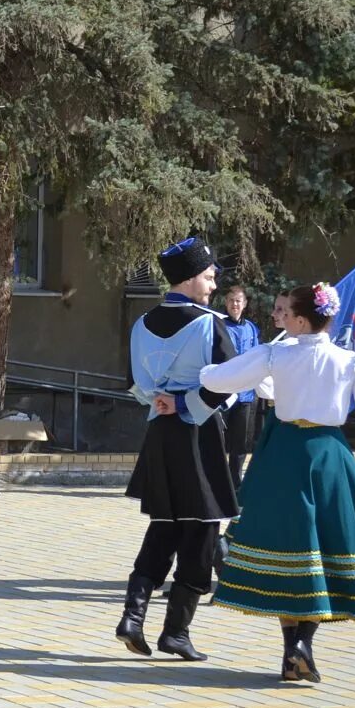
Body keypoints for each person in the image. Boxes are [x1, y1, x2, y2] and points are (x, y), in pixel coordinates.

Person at [200, 282, 355, 681]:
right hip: (327, 454)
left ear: (302, 320)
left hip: (283, 456)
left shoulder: (275, 355)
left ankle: (294, 651)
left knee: (292, 549)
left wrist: (200, 370)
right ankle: (301, 646)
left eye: (287, 314)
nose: (282, 318)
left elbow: (220, 381)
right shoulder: (352, 362)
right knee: (328, 545)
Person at [114, 236, 240, 663]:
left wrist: (160, 400)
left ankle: (132, 616)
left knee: (165, 525)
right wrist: (185, 402)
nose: (213, 283)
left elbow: (135, 384)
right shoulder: (209, 323)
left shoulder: (141, 323)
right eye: (207, 276)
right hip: (197, 434)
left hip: (159, 435)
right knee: (203, 529)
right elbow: (229, 385)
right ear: (187, 280)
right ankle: (176, 633)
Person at [221, 286, 262, 488]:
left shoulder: (252, 329)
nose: (234, 304)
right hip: (223, 395)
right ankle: (217, 482)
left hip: (245, 396)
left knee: (240, 444)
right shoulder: (218, 326)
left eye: (238, 301)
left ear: (244, 304)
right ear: (225, 302)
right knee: (218, 442)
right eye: (231, 300)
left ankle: (235, 484)